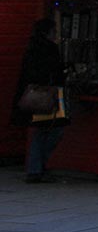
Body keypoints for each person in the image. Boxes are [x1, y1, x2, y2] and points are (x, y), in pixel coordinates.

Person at [12, 19, 68, 183]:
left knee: (40, 131)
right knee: (53, 130)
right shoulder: (49, 48)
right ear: (49, 31)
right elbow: (55, 72)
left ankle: (35, 168)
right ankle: (37, 167)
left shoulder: (32, 47)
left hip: (35, 94)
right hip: (47, 95)